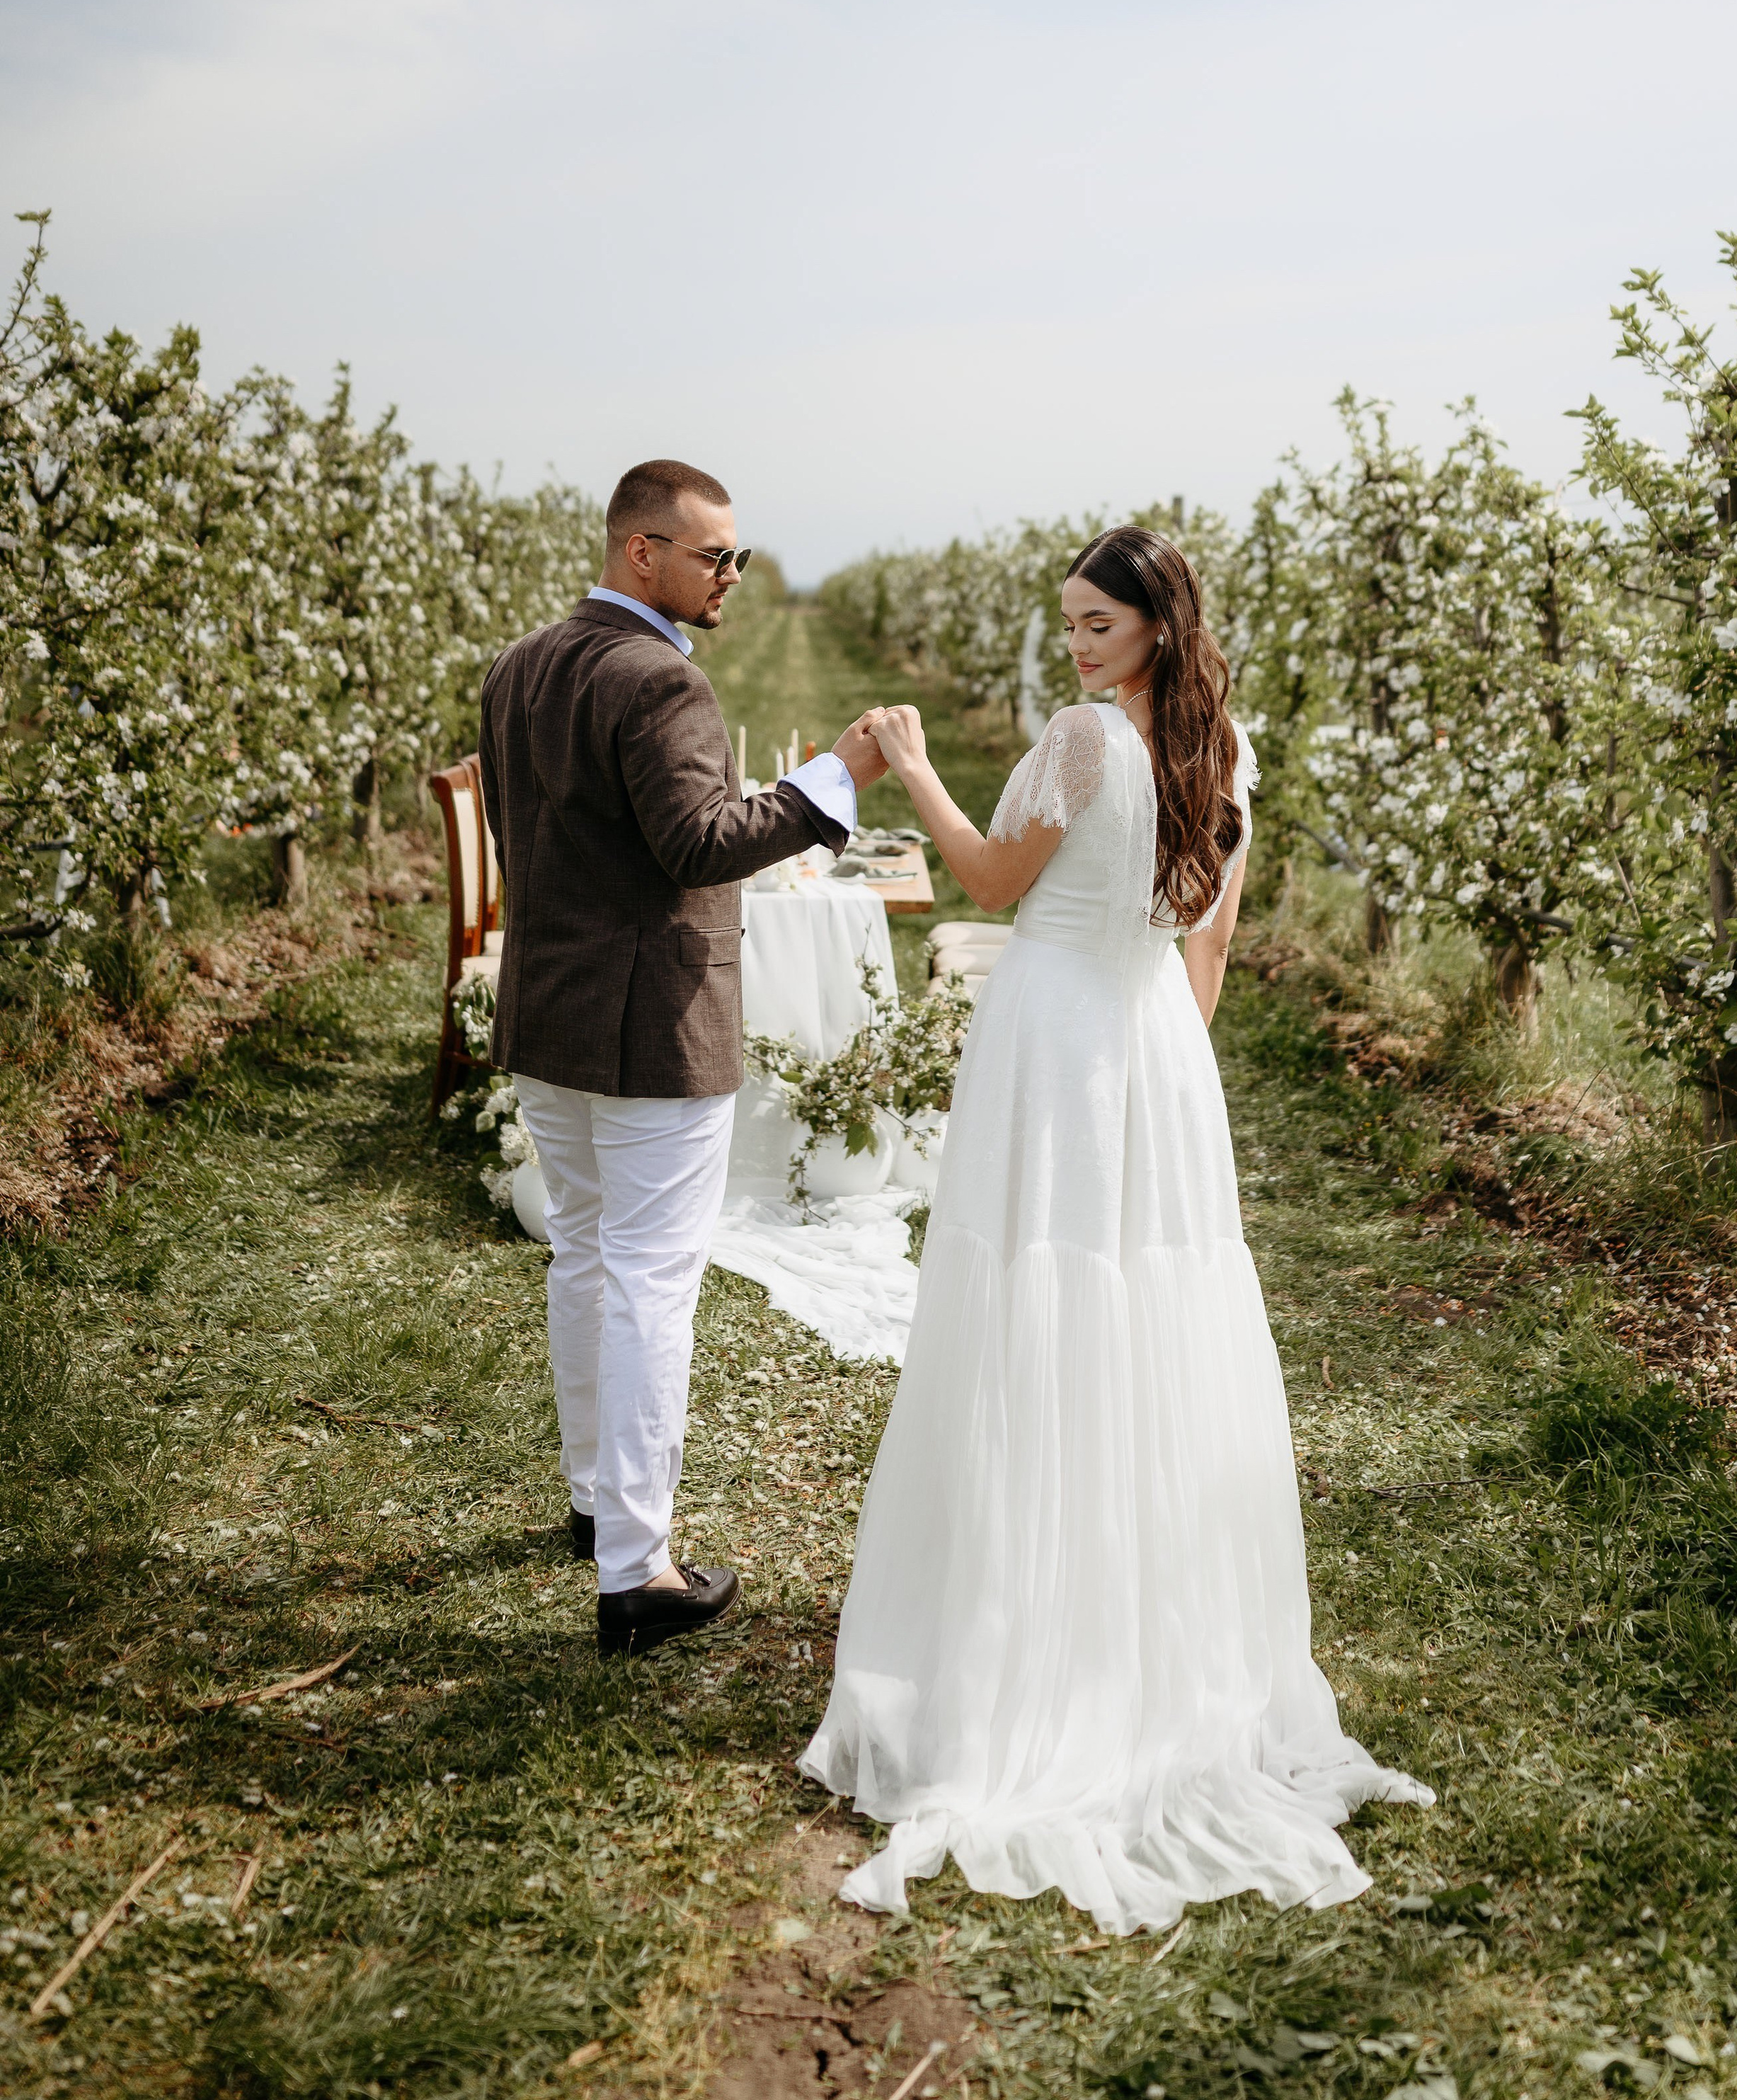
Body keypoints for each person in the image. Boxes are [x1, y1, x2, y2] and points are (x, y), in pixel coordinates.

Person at [801, 525, 1433, 1932]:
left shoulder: (1084, 741)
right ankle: (1128, 1607)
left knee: (1037, 1301)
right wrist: (1157, 1078)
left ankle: (1028, 1633)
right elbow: (1201, 953)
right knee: (1139, 1309)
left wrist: (907, 762)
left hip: (1059, 1039)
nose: (1079, 645)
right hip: (1152, 1048)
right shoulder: (1226, 752)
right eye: (1070, 624)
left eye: (1097, 623)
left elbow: (981, 884)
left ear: (1152, 624)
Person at [479, 458, 886, 1657]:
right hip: (651, 1020)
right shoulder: (659, 682)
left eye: (738, 557)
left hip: (549, 1008)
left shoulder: (518, 667)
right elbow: (700, 843)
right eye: (715, 556)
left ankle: (595, 1504)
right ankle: (639, 1574)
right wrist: (835, 780)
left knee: (587, 1257)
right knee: (652, 1278)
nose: (732, 577)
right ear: (639, 552)